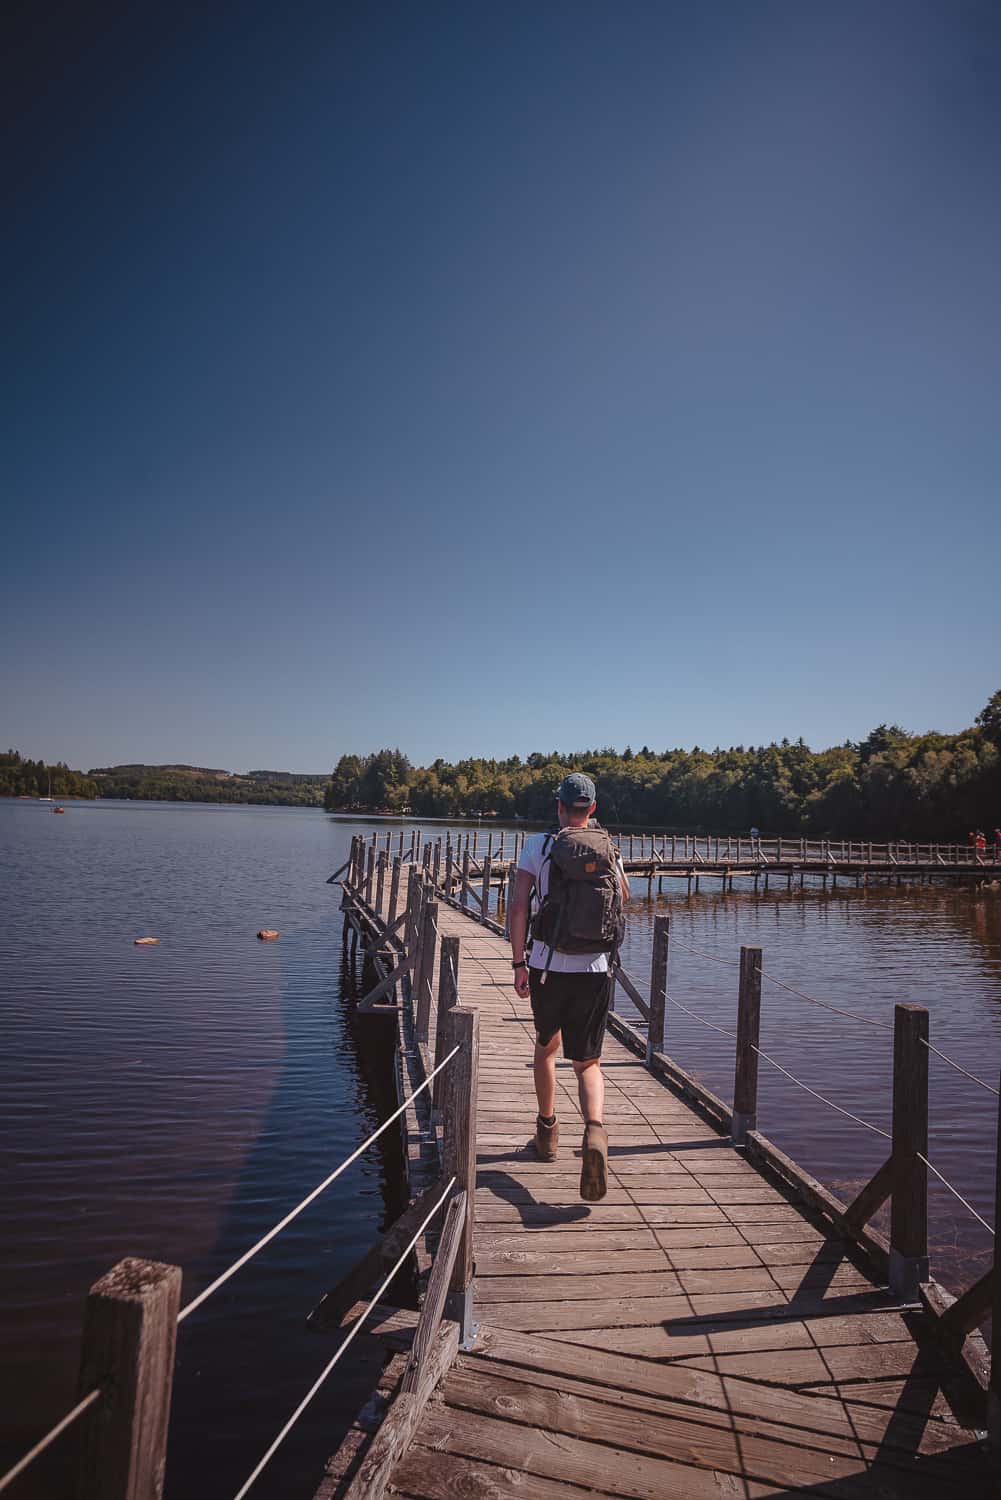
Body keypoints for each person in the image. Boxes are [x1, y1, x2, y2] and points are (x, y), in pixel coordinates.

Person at [509, 772, 630, 1201]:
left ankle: (547, 1134)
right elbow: (624, 898)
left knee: (546, 1047)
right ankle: (594, 1132)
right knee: (588, 1063)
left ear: (559, 807)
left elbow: (519, 905)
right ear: (591, 809)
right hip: (596, 968)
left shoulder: (538, 846)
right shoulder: (608, 848)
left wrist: (519, 962)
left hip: (547, 966)